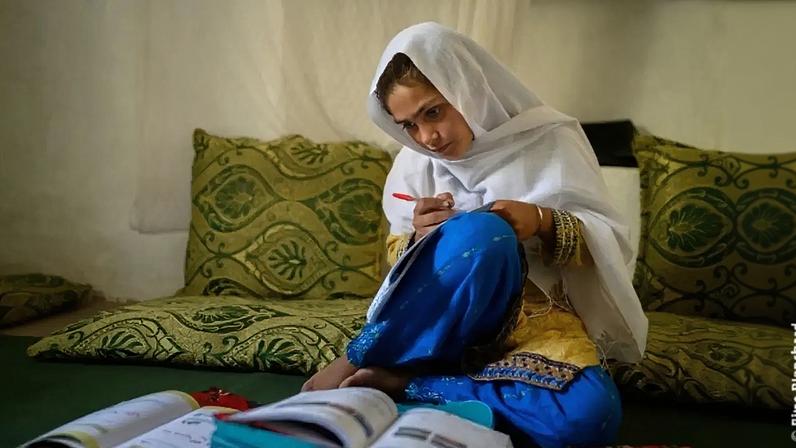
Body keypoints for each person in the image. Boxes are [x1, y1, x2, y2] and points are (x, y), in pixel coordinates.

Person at [302, 22, 648, 448]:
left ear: (467, 88)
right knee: (482, 231)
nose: (427, 137)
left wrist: (540, 220)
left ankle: (404, 382)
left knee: (589, 417)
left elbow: (609, 244)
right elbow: (397, 264)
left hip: (536, 325)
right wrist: (417, 239)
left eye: (433, 112)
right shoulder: (415, 164)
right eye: (408, 125)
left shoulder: (551, 140)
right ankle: (366, 355)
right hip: (446, 324)